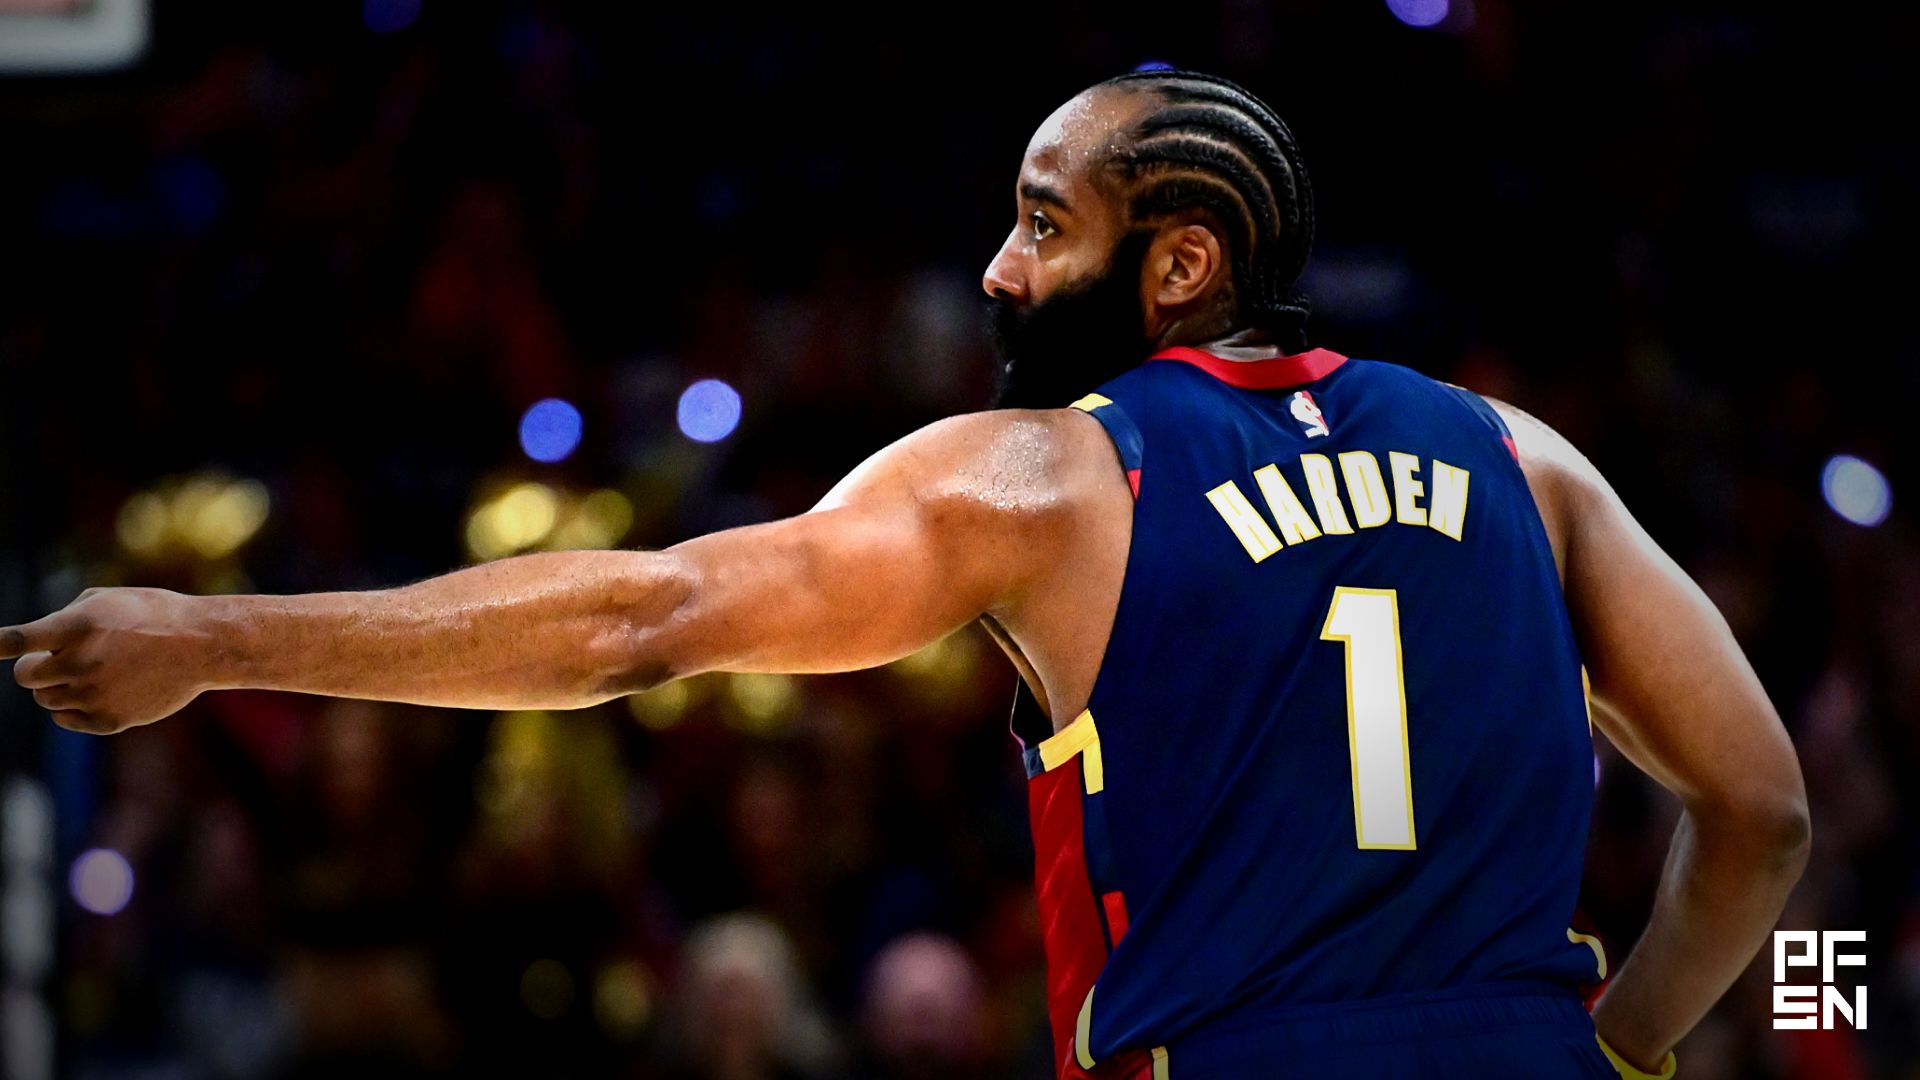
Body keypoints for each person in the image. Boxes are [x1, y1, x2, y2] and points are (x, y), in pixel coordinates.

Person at [2, 70, 1809, 1078]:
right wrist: (1629, 1046)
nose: (1000, 273)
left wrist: (211, 633)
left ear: (1176, 271)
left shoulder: (1051, 476)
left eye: (1044, 221)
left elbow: (646, 620)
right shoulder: (1525, 460)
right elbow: (1762, 818)